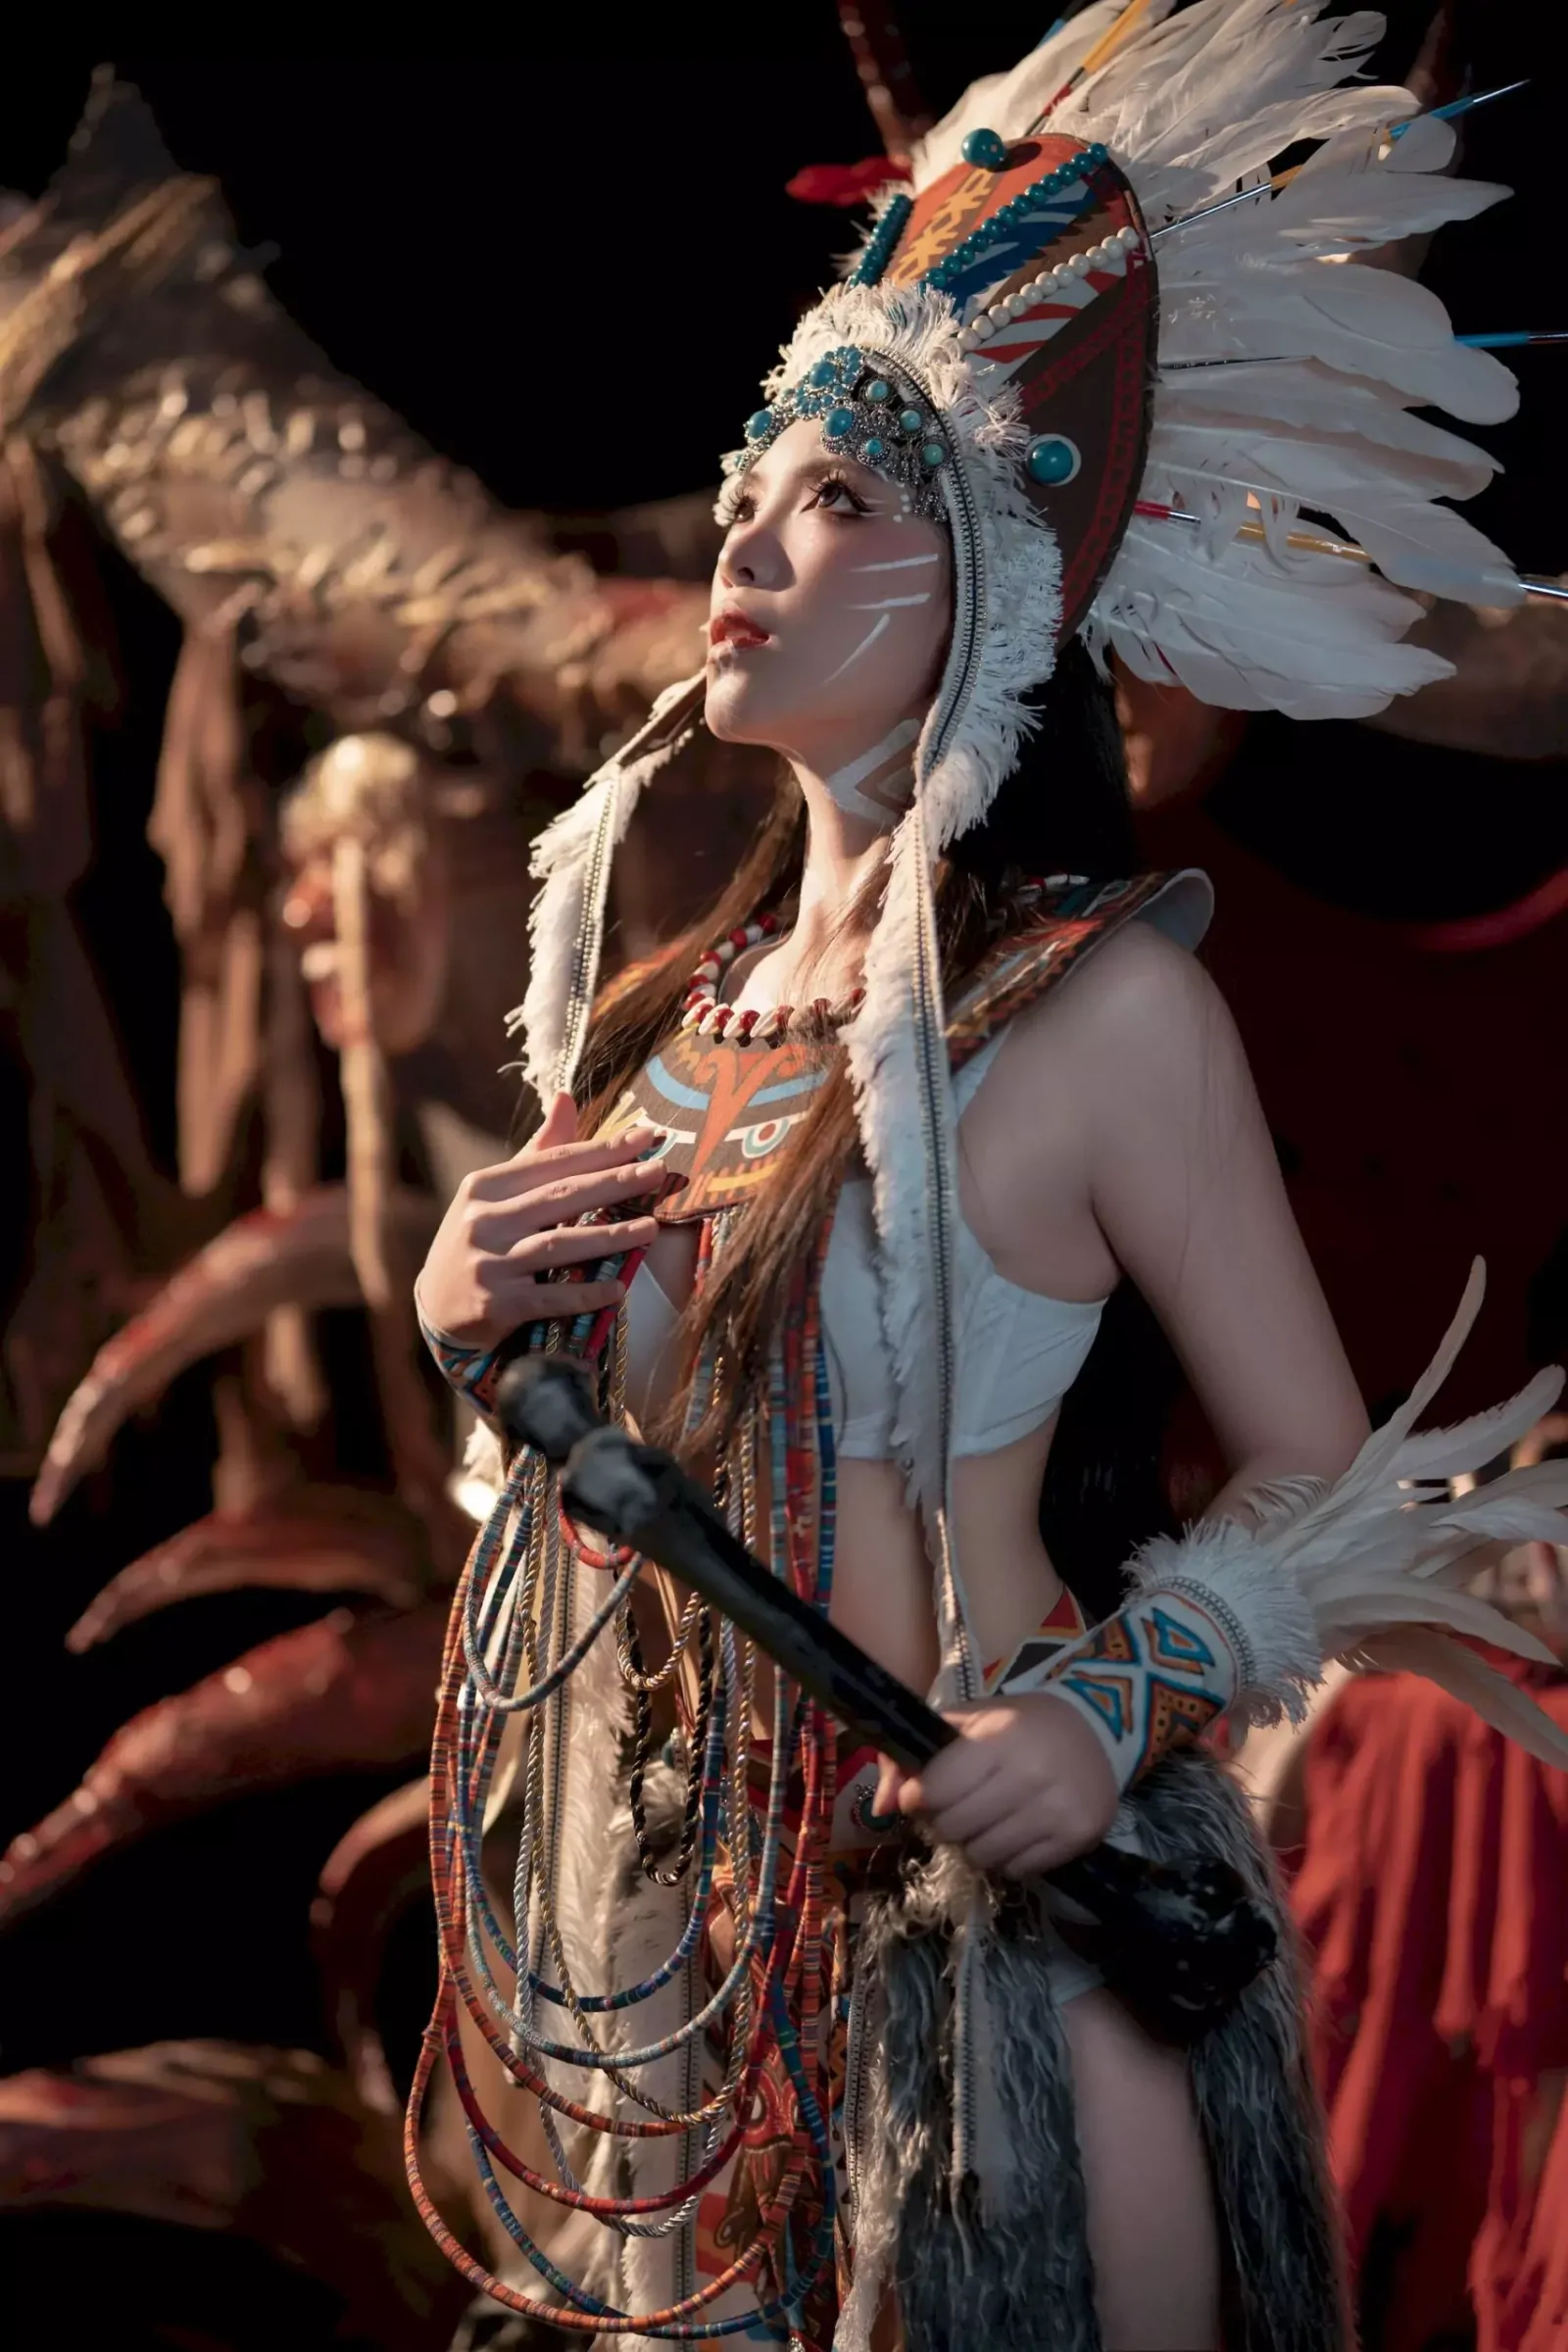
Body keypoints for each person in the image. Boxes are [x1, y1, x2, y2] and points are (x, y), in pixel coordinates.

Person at [407, 6, 1568, 2346]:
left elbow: (1327, 1484)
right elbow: (585, 1476)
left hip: (1011, 1935)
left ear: (999, 575)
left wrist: (1102, 1716)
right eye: (748, 483)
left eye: (838, 493)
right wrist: (465, 1331)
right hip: (676, 1935)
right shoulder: (661, 1024)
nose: (746, 539)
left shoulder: (1103, 1008)